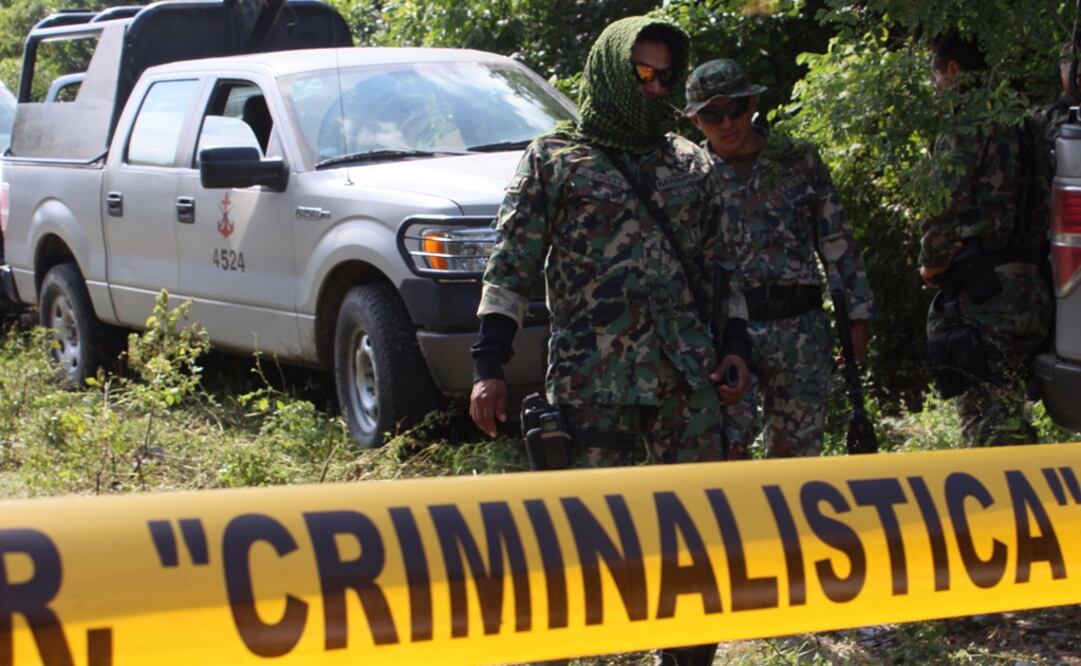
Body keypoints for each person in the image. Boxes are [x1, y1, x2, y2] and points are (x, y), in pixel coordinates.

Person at [470, 17, 751, 664]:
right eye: (640, 74)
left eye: (663, 78)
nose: (653, 89)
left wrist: (735, 344)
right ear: (610, 70)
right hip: (592, 381)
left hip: (687, 380)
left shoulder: (691, 161)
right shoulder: (555, 160)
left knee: (694, 538)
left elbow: (722, 269)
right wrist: (488, 365)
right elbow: (510, 267)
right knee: (582, 540)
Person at [682, 59, 874, 459]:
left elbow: (837, 241)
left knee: (797, 459)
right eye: (712, 114)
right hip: (726, 335)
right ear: (696, 121)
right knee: (724, 452)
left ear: (752, 103)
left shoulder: (798, 161)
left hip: (799, 330)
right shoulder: (688, 175)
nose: (727, 123)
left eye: (734, 109)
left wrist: (856, 318)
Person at [920, 31, 1051, 446]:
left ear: (953, 70)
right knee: (1009, 413)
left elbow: (943, 202)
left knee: (987, 426)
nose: (936, 88)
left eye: (936, 78)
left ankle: (1009, 510)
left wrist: (932, 262)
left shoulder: (965, 120)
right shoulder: (1027, 122)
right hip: (1031, 290)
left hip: (984, 296)